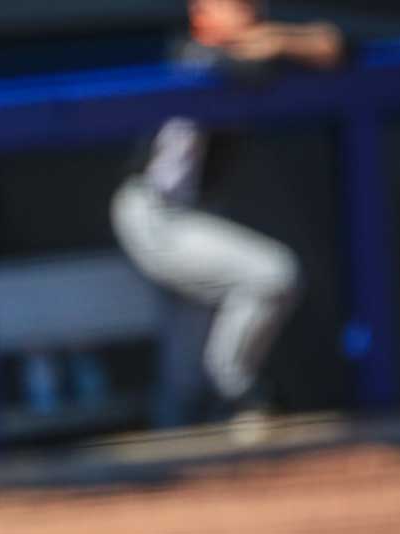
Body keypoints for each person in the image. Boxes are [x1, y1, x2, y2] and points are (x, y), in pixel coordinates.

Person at [110, 0, 343, 428]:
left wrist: (280, 40)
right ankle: (237, 388)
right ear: (200, 15)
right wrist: (274, 45)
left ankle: (200, 432)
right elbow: (241, 68)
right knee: (273, 275)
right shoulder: (192, 54)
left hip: (192, 215)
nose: (250, 13)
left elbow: (335, 46)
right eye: (234, 6)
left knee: (182, 377)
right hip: (155, 213)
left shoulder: (259, 44)